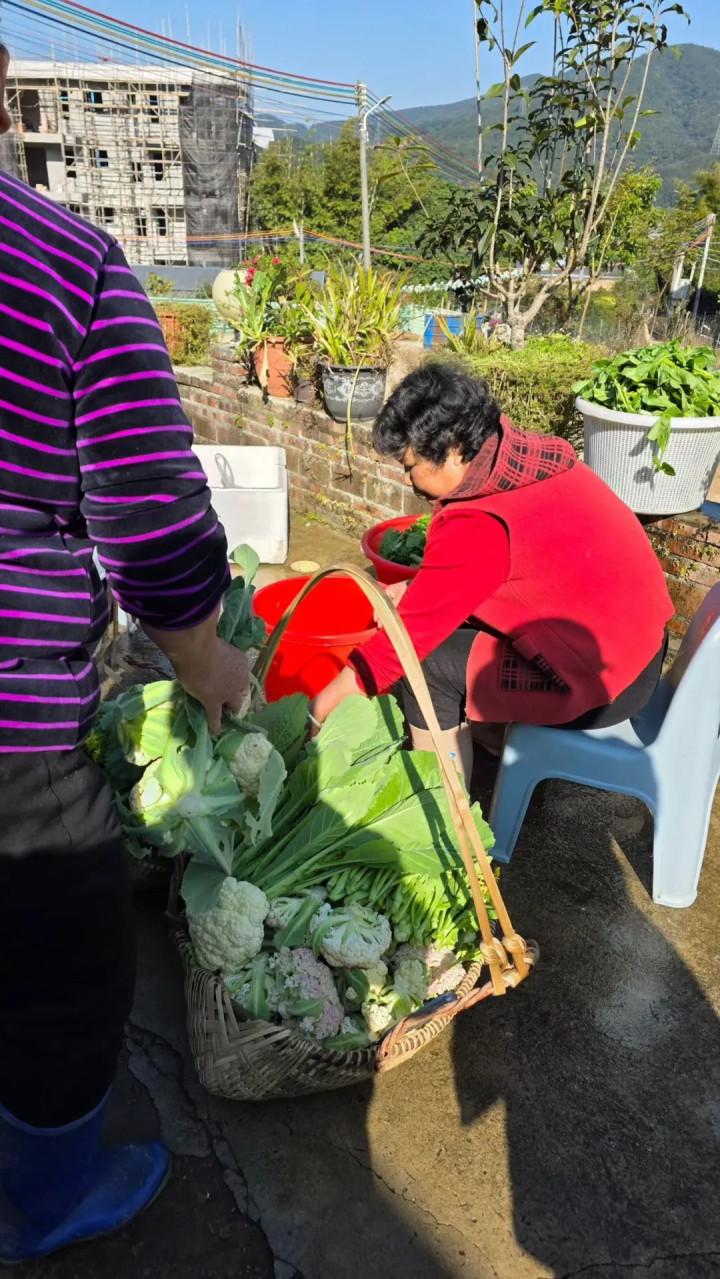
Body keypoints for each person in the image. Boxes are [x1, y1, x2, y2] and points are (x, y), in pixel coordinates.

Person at [0, 44, 248, 1261]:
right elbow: (148, 511)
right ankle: (49, 1200)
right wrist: (208, 663)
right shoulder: (62, 260)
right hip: (11, 725)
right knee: (65, 967)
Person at [310, 364, 673, 782]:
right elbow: (506, 568)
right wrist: (415, 586)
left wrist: (319, 713)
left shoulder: (479, 522)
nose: (408, 480)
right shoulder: (524, 458)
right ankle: (487, 741)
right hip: (639, 646)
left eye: (410, 466)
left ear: (451, 449)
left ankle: (443, 798)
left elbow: (398, 649)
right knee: (451, 641)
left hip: (606, 685)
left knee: (423, 667)